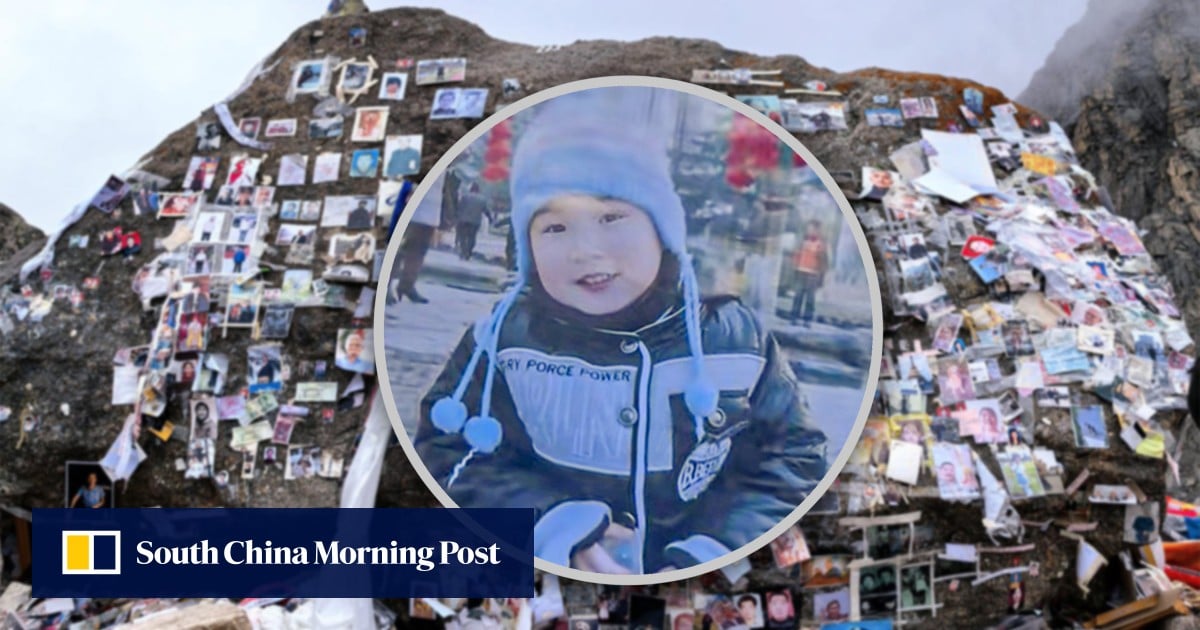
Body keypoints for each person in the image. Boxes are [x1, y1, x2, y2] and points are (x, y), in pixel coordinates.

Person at [414, 87, 828, 575]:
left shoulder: (734, 338)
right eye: (554, 228)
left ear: (662, 230)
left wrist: (715, 551)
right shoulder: (501, 341)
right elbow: (449, 449)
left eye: (612, 217)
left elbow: (792, 458)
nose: (586, 249)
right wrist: (550, 524)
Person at [387, 177, 442, 305]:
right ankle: (386, 285)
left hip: (432, 207)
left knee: (419, 251)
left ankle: (407, 285)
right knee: (399, 250)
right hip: (413, 205)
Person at [789, 220, 829, 326]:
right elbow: (796, 255)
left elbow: (824, 262)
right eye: (808, 229)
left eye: (812, 229)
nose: (810, 231)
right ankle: (794, 316)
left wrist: (821, 276)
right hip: (801, 271)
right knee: (798, 296)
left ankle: (807, 319)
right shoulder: (803, 242)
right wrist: (795, 267)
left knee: (810, 298)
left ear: (817, 231)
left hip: (813, 274)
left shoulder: (821, 245)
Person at [455, 183, 488, 260]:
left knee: (462, 237)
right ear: (478, 190)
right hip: (475, 222)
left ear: (471, 189)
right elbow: (485, 211)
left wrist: (456, 217)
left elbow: (459, 207)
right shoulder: (482, 199)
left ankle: (463, 251)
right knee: (472, 237)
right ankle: (468, 252)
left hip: (463, 220)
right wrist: (491, 219)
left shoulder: (465, 197)